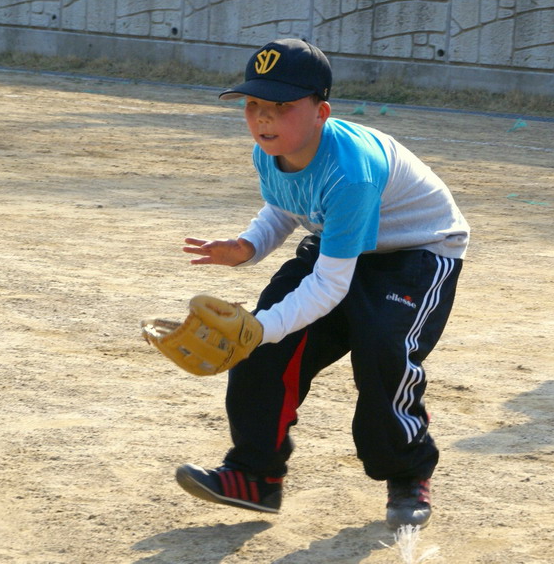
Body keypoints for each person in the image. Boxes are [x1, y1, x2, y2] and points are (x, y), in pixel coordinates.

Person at [175, 38, 470, 530]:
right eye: (253, 105)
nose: (263, 118)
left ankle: (407, 471)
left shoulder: (351, 171)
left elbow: (330, 286)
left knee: (381, 350)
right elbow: (287, 205)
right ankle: (255, 477)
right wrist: (248, 246)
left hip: (415, 253)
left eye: (282, 106)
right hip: (341, 242)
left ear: (321, 111)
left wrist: (259, 326)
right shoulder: (270, 152)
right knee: (262, 350)